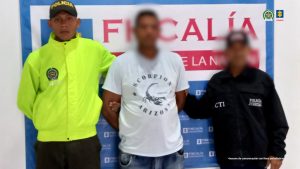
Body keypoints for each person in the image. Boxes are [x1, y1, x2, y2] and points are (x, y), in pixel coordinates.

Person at [17, 1, 115, 169]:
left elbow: (120, 72)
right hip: (49, 143)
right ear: (50, 24)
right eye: (58, 19)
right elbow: (25, 101)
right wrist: (49, 119)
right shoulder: (37, 58)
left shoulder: (95, 50)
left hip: (85, 142)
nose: (64, 24)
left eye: (69, 18)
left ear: (77, 22)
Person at [184, 31, 289, 169]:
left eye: (241, 48)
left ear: (247, 51)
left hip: (256, 159)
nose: (237, 53)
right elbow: (199, 111)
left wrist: (277, 152)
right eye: (233, 49)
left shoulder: (262, 80)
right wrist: (183, 94)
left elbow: (278, 121)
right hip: (228, 160)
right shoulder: (218, 81)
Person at [102, 10, 189, 169]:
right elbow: (108, 108)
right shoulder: (121, 63)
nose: (148, 31)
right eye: (143, 27)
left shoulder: (174, 60)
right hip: (134, 154)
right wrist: (129, 130)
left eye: (153, 27)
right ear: (135, 31)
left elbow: (180, 101)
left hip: (172, 152)